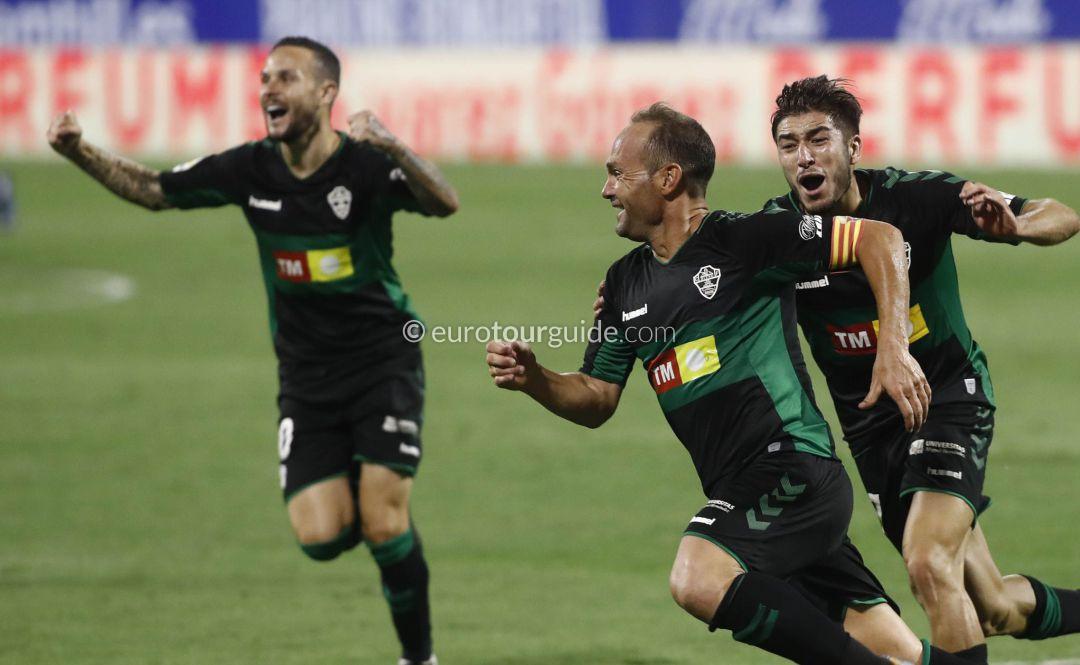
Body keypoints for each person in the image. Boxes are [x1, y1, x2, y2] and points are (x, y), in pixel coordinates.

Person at [487, 103, 978, 665]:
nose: (607, 190)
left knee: (697, 575)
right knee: (901, 651)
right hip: (752, 496)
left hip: (793, 470)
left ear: (668, 179)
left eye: (618, 174)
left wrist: (892, 346)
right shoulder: (625, 284)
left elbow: (880, 238)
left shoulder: (746, 240)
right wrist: (536, 380)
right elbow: (597, 396)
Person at [47, 36, 458, 665]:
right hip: (306, 377)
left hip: (382, 361)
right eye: (265, 78)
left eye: (286, 78)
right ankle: (366, 481)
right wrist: (79, 151)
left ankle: (419, 656)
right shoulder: (250, 169)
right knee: (320, 535)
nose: (269, 88)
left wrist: (393, 144)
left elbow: (444, 202)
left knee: (384, 523)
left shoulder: (364, 168)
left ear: (326, 93)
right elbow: (155, 188)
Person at [764, 75, 1080, 662]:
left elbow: (1058, 213)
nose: (803, 156)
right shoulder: (778, 233)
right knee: (993, 606)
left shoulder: (918, 199)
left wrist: (1019, 226)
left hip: (948, 396)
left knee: (929, 564)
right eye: (789, 144)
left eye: (818, 140)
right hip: (871, 428)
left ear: (854, 148)